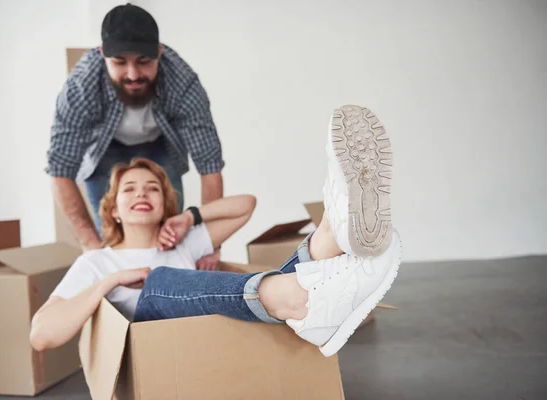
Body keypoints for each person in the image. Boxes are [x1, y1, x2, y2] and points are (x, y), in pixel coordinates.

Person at [31, 104, 401, 357]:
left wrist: (190, 217)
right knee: (159, 281)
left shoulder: (183, 242)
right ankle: (303, 288)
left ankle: (330, 238)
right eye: (130, 189)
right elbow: (42, 335)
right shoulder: (97, 263)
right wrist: (109, 283)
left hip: (207, 334)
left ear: (165, 203)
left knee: (242, 284)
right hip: (158, 350)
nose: (142, 193)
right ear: (112, 209)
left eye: (153, 188)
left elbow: (246, 205)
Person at [46, 3, 224, 270]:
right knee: (111, 242)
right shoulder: (80, 88)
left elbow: (210, 167)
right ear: (103, 53)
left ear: (159, 53)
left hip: (162, 145)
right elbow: (60, 171)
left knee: (171, 235)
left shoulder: (183, 83)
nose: (133, 74)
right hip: (105, 150)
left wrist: (211, 244)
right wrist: (91, 246)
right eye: (120, 63)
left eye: (143, 61)